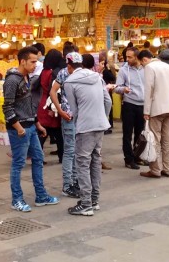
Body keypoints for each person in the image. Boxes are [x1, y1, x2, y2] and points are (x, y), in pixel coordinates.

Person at [4, 46, 59, 212]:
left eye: (37, 61)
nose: (36, 64)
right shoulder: (12, 80)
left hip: (31, 126)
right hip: (19, 129)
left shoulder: (27, 77)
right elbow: (7, 107)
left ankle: (41, 195)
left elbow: (28, 104)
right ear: (22, 61)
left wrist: (37, 123)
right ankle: (17, 199)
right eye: (33, 61)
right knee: (18, 164)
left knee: (38, 159)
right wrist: (18, 127)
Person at [63, 52, 112, 215]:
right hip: (100, 124)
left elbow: (74, 109)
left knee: (82, 163)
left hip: (85, 126)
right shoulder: (97, 77)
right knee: (95, 161)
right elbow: (108, 100)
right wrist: (103, 118)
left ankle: (86, 204)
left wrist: (80, 122)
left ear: (69, 66)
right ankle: (94, 199)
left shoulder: (70, 82)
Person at [140, 49, 169, 178]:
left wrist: (146, 111)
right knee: (167, 138)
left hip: (156, 108)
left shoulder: (149, 68)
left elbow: (149, 90)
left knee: (155, 139)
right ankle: (168, 168)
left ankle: (155, 169)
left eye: (142, 63)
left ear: (144, 59)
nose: (142, 66)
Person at [49, 42, 80, 198]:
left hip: (78, 117)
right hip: (68, 116)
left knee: (75, 151)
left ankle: (74, 182)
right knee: (70, 151)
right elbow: (52, 91)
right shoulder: (63, 73)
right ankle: (67, 185)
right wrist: (60, 109)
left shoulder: (82, 73)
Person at [113, 46, 145, 170]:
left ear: (137, 57)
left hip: (142, 104)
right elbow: (117, 87)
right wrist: (123, 89)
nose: (127, 59)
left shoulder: (145, 68)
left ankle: (137, 156)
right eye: (126, 56)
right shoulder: (123, 70)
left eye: (130, 57)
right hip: (129, 104)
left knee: (140, 132)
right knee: (127, 133)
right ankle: (128, 159)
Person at [37, 49, 64, 162]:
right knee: (58, 134)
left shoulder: (44, 71)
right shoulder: (53, 73)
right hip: (50, 103)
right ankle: (62, 157)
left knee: (43, 133)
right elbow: (53, 91)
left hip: (42, 103)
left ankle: (38, 157)